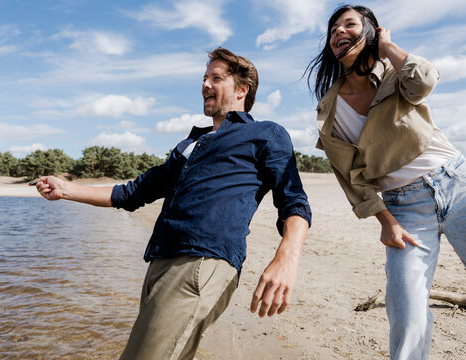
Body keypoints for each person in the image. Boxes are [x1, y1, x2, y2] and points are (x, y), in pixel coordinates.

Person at [34, 47, 311, 360]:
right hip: (160, 262)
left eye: (216, 78)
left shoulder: (265, 133)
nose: (205, 85)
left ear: (242, 89)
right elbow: (132, 193)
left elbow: (294, 200)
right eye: (204, 78)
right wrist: (67, 190)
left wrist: (286, 258)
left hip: (202, 262)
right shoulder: (191, 145)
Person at [306, 4, 466, 360]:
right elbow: (352, 179)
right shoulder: (329, 108)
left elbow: (425, 78)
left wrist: (389, 47)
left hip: (457, 183)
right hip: (404, 209)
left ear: (371, 32)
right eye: (333, 29)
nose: (338, 32)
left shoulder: (396, 73)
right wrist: (386, 222)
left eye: (349, 25)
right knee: (405, 310)